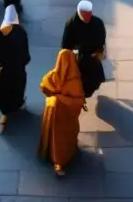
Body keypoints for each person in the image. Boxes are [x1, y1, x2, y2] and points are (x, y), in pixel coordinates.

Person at [37, 49, 86, 177]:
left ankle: (49, 154)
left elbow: (43, 86)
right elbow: (77, 101)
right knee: (63, 138)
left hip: (52, 111)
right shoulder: (74, 81)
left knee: (52, 136)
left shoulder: (53, 75)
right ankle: (60, 162)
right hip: (65, 115)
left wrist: (54, 97)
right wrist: (63, 100)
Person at [0, 5, 31, 132]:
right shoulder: (21, 32)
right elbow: (26, 54)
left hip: (2, 69)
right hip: (17, 69)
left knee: (2, 90)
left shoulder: (1, 33)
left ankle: (4, 113)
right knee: (17, 88)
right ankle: (16, 105)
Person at [61, 0, 106, 98]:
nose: (87, 18)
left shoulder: (97, 23)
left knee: (93, 81)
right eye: (84, 14)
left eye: (89, 14)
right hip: (78, 59)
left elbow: (102, 38)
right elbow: (66, 44)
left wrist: (100, 50)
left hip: (92, 56)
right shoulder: (71, 24)